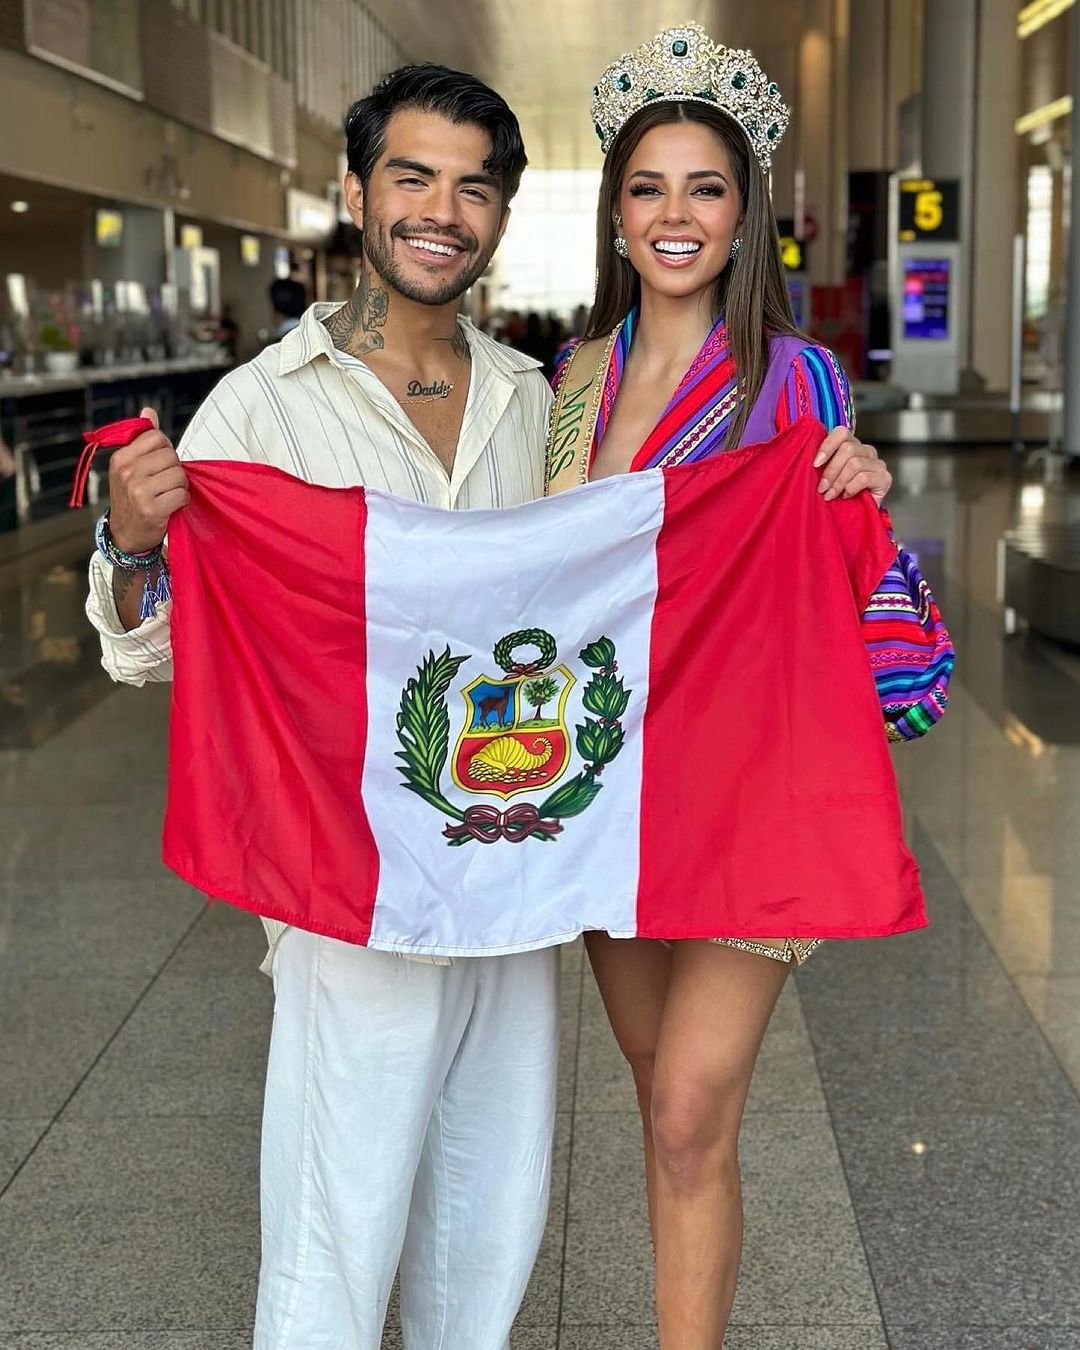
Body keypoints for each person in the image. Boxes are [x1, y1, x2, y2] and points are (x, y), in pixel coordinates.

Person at [84, 58, 892, 1350]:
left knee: (492, 1220)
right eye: (412, 177)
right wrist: (132, 549)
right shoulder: (261, 407)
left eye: (472, 189)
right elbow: (152, 651)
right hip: (358, 888)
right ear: (356, 192)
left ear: (503, 218)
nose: (440, 211)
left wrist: (837, 493)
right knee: (332, 1239)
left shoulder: (534, 398)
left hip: (521, 873)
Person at [545, 23, 952, 1348]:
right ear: (616, 214)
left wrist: (855, 491)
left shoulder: (796, 378)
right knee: (663, 1094)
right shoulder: (570, 385)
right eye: (650, 186)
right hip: (608, 788)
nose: (677, 214)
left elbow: (836, 573)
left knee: (688, 1105)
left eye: (705, 188)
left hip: (752, 791)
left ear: (745, 213)